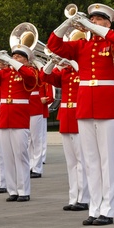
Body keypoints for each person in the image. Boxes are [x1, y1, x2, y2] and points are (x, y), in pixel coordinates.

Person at [47, 4, 114, 226]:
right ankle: (94, 208)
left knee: (107, 161)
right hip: (84, 106)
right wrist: (68, 23)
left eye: (100, 19)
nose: (94, 21)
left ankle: (108, 210)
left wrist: (93, 27)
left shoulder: (112, 44)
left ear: (108, 23)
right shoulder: (81, 45)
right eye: (92, 18)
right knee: (91, 161)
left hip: (106, 106)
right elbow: (53, 44)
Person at [0, 43, 39, 202]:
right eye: (14, 56)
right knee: (7, 156)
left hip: (18, 118)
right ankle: (13, 190)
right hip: (3, 118)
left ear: (27, 61)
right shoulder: (5, 73)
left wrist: (10, 60)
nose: (15, 58)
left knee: (20, 155)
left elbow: (29, 77)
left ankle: (24, 191)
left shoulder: (29, 72)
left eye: (19, 56)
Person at [42, 48, 87, 212]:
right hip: (66, 117)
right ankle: (73, 197)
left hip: (79, 116)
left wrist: (74, 63)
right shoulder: (65, 72)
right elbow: (45, 77)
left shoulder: (82, 68)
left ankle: (84, 197)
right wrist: (53, 62)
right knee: (71, 162)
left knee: (82, 161)